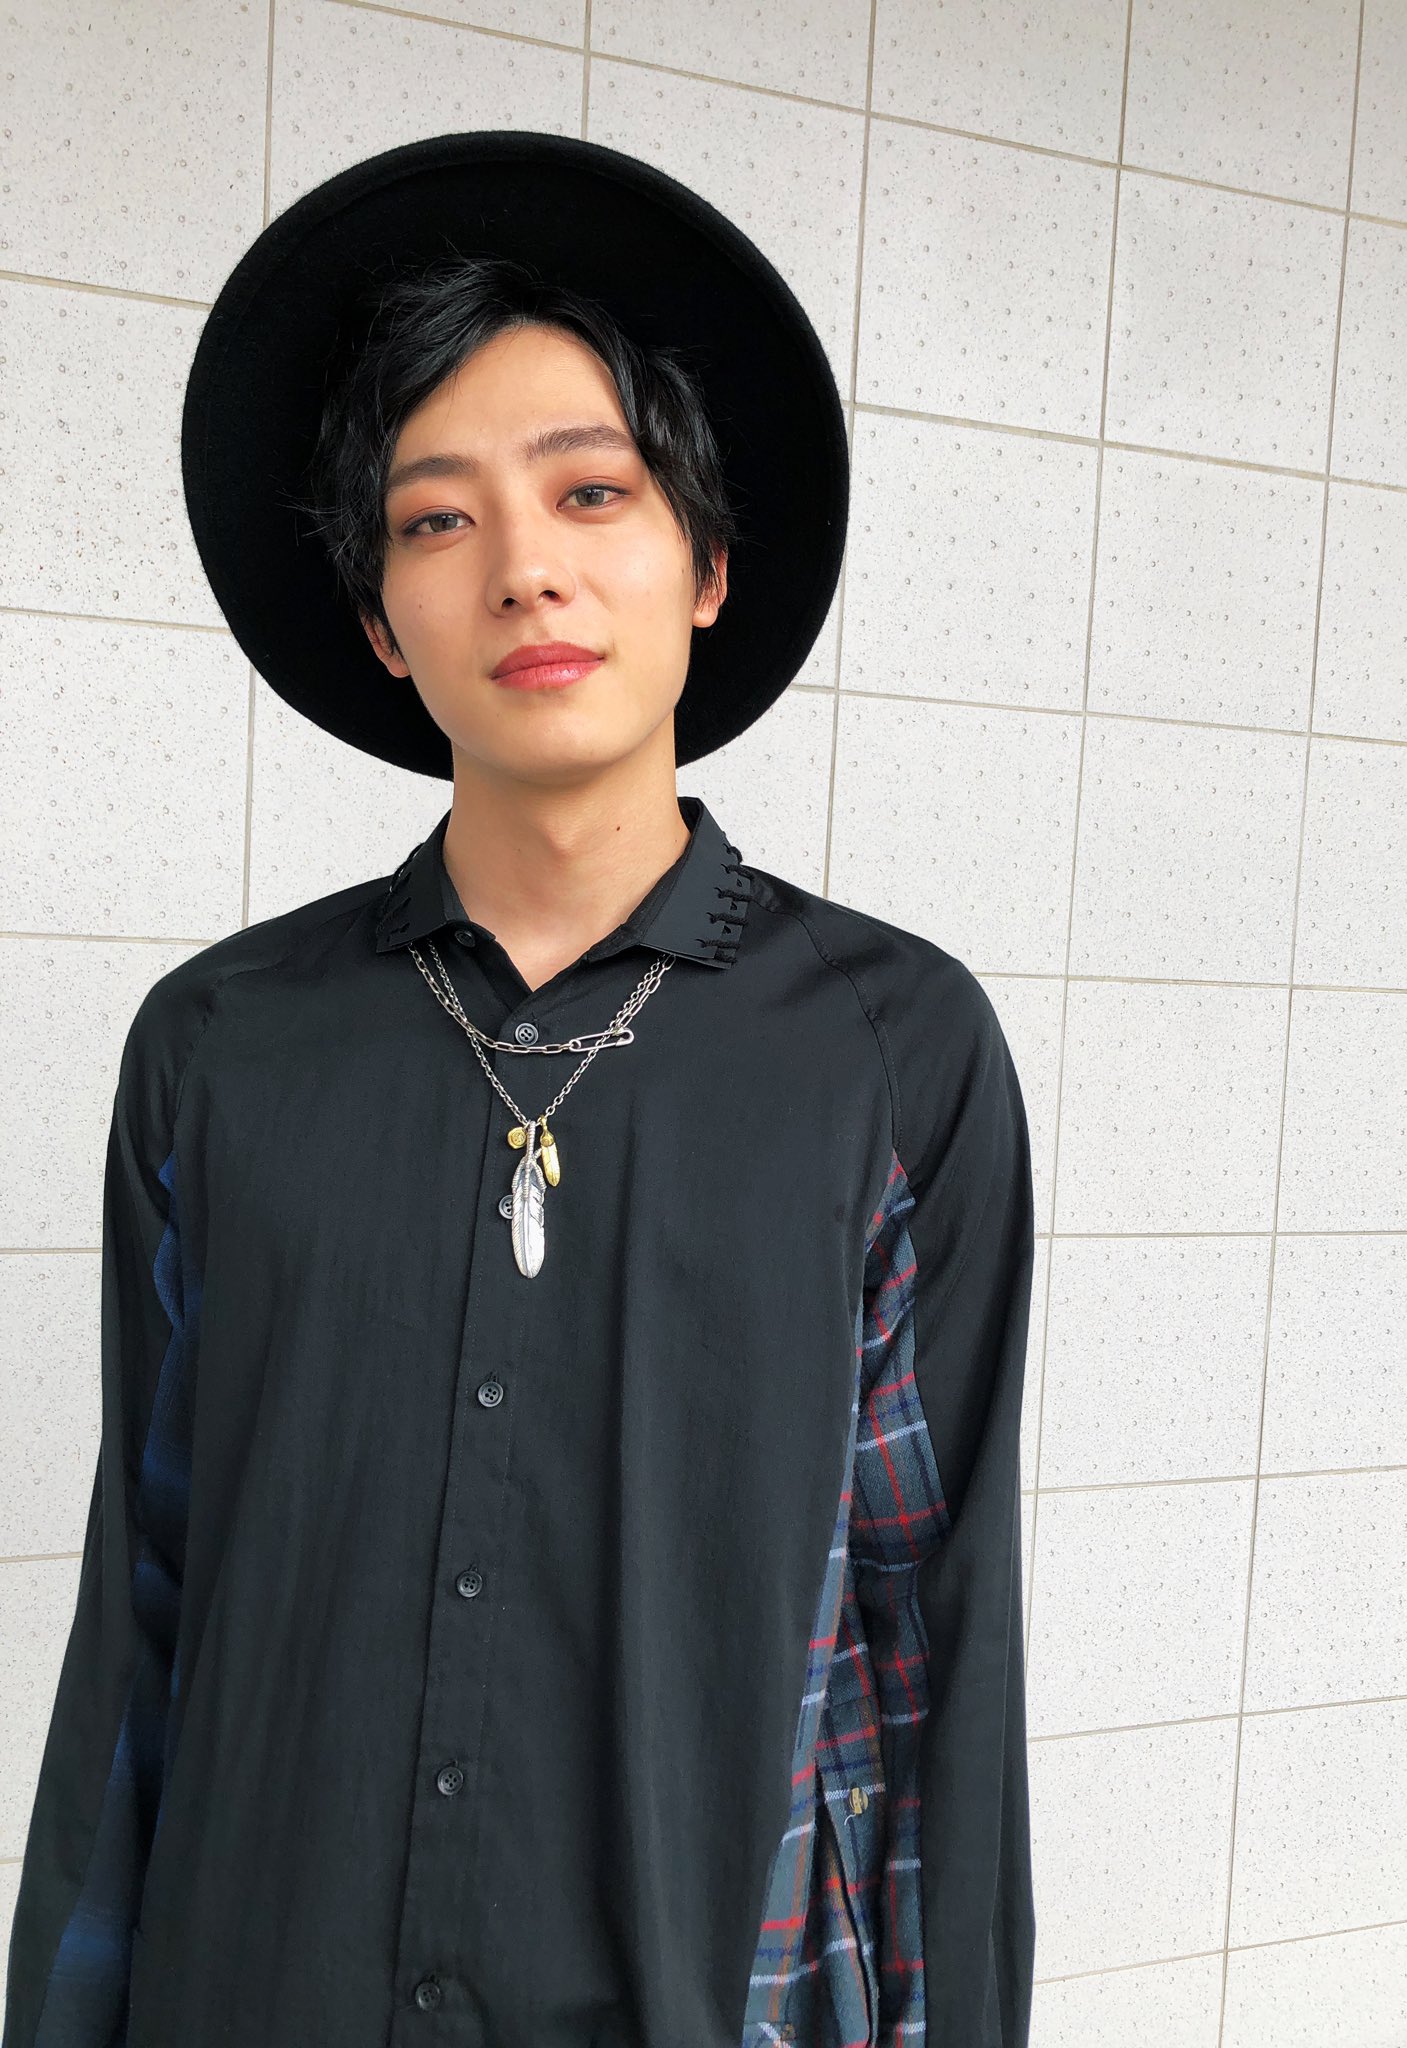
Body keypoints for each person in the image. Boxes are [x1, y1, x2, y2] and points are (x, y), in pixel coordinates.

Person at [3, 131, 1036, 2048]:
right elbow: (146, 1615)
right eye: (436, 519)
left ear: (705, 566)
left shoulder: (896, 1055)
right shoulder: (220, 1047)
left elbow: (931, 1645)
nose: (527, 567)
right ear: (379, 623)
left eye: (592, 491)